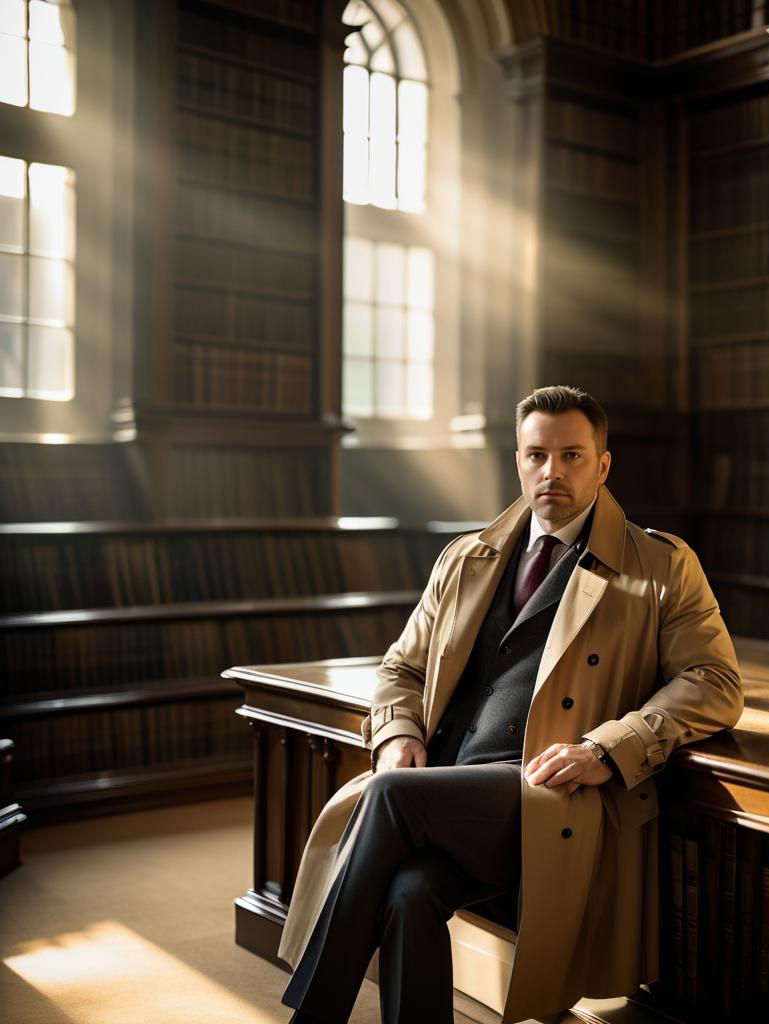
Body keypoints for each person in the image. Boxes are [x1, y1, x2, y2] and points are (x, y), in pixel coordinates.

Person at [280, 385, 743, 1024]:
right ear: (518, 461)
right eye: (537, 455)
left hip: (548, 793)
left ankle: (314, 1015)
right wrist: (396, 732)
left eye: (572, 456)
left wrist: (608, 748)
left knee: (386, 795)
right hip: (450, 789)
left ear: (603, 465)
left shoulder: (662, 566)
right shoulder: (467, 557)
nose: (552, 471)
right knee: (411, 892)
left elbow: (714, 680)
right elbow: (402, 666)